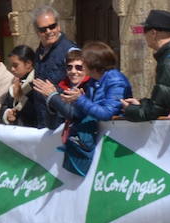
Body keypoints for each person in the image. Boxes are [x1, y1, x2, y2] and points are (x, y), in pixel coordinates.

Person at [53, 41, 130, 176]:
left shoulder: (115, 80)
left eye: (83, 62)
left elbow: (107, 113)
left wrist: (79, 99)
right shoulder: (95, 81)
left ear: (92, 64)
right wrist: (68, 100)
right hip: (100, 139)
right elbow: (86, 109)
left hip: (117, 141)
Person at [121, 9, 170, 122]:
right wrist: (141, 103)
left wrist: (130, 110)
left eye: (144, 32)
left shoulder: (169, 63)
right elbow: (167, 99)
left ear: (153, 33)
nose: (144, 36)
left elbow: (157, 110)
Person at [30, 6, 77, 129]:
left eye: (52, 26)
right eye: (43, 29)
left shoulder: (70, 51)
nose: (49, 31)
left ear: (58, 26)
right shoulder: (39, 52)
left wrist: (54, 93)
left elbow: (79, 88)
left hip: (62, 123)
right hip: (43, 122)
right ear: (37, 32)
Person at [0, 44, 42, 127]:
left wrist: (21, 97)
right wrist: (7, 113)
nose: (12, 69)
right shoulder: (15, 82)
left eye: (15, 65)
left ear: (28, 64)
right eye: (11, 65)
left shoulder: (37, 83)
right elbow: (4, 105)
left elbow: (37, 112)